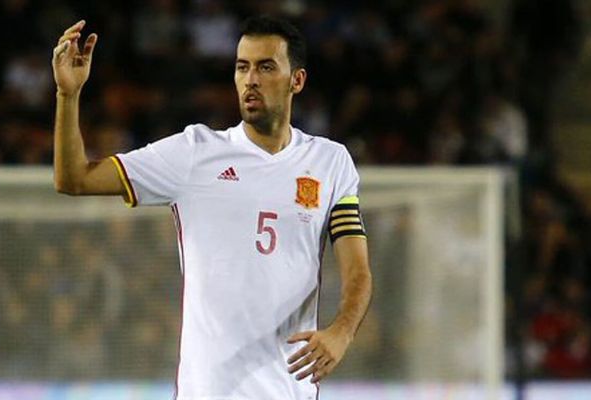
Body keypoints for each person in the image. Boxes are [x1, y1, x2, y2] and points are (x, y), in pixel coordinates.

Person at [51, 15, 373, 400]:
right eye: (242, 67)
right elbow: (74, 179)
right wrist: (68, 96)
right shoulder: (194, 153)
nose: (250, 79)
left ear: (297, 80)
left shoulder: (330, 163)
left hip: (290, 392)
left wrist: (341, 332)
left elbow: (358, 271)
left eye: (266, 67)